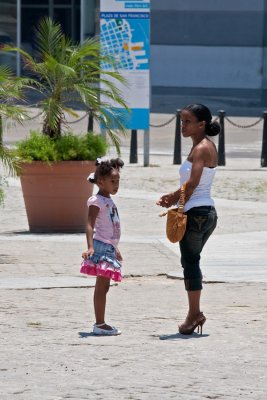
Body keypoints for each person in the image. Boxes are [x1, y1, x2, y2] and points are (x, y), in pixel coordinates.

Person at [157, 104, 220, 335]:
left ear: (201, 124)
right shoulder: (201, 146)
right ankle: (194, 313)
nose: (182, 126)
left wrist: (173, 198)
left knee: (190, 263)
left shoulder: (202, 148)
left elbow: (192, 183)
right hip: (205, 213)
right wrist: (174, 198)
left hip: (197, 214)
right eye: (181, 121)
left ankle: (194, 314)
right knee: (190, 261)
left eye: (187, 121)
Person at [80, 157, 124, 336]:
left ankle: (101, 322)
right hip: (101, 247)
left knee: (104, 287)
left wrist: (116, 248)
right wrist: (90, 247)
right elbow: (90, 224)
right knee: (101, 286)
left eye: (118, 181)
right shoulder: (96, 201)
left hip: (109, 247)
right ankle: (99, 323)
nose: (116, 185)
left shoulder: (108, 200)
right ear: (100, 182)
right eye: (112, 181)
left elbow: (110, 226)